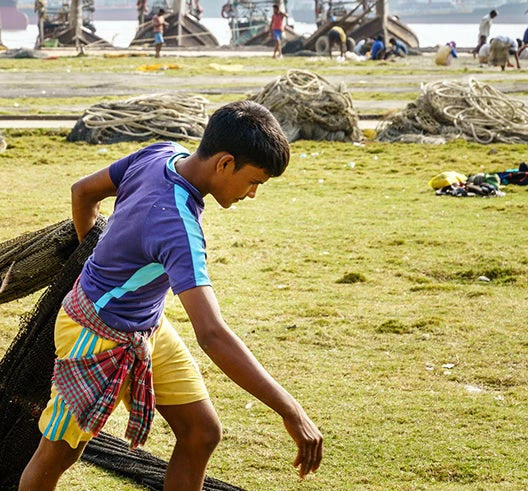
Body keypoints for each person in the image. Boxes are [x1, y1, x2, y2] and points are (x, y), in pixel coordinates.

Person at [17, 100, 323, 490]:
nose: (252, 194)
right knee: (60, 452)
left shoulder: (162, 153)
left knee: (201, 432)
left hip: (145, 327)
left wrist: (96, 264)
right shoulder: (177, 227)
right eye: (254, 181)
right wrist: (291, 410)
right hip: (92, 333)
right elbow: (211, 334)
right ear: (225, 163)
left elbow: (83, 193)